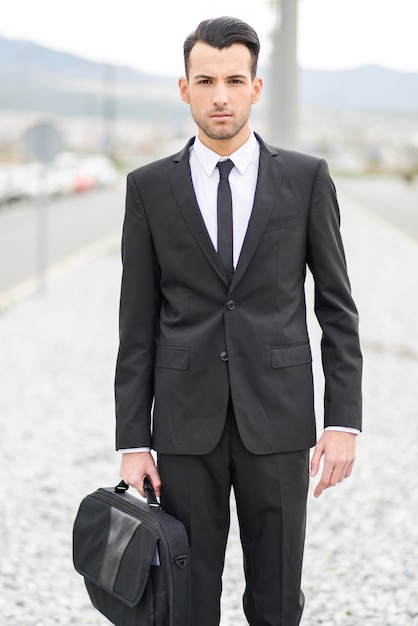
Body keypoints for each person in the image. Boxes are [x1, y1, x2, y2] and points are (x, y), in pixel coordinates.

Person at [115, 15, 362, 626]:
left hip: (278, 421)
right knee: (187, 601)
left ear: (256, 88)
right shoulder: (148, 188)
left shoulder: (305, 179)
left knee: (277, 599)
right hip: (182, 424)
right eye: (205, 80)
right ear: (184, 88)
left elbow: (336, 306)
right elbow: (136, 320)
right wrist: (131, 441)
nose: (219, 95)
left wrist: (343, 422)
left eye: (233, 79)